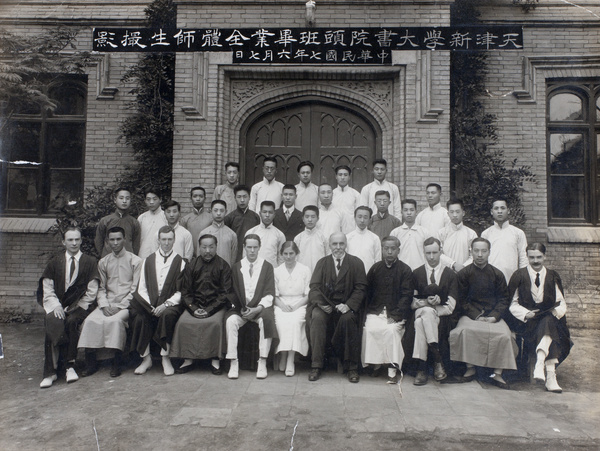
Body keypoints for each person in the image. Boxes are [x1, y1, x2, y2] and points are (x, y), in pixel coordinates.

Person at [449, 238, 517, 389]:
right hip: (470, 315)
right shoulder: (464, 274)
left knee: (505, 336)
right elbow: (461, 299)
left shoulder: (497, 274)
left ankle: (497, 373)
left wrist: (494, 316)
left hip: (494, 316)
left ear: (489, 252)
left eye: (483, 251)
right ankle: (470, 368)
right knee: (464, 331)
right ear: (471, 252)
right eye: (476, 251)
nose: (480, 255)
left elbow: (504, 299)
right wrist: (476, 316)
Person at [38, 227, 99, 388]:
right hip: (58, 306)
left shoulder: (90, 262)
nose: (74, 243)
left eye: (77, 239)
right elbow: (48, 289)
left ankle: (69, 366)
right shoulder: (54, 263)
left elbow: (92, 291)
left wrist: (75, 307)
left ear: (81, 241)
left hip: (80, 306)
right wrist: (56, 306)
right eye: (70, 240)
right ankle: (50, 372)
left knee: (72, 322)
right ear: (63, 242)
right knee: (52, 321)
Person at [78, 227, 143, 378]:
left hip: (126, 304)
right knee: (91, 321)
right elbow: (101, 287)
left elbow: (135, 289)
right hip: (107, 304)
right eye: (112, 240)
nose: (115, 243)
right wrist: (104, 305)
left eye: (118, 239)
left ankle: (116, 362)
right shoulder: (103, 262)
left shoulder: (136, 261)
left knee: (115, 322)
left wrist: (119, 306)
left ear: (124, 240)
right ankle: (91, 362)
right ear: (107, 242)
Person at [508, 243, 571, 393]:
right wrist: (524, 313)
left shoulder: (552, 275)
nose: (535, 261)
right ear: (527, 257)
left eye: (539, 257)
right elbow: (512, 303)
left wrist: (557, 313)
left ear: (545, 256)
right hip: (528, 323)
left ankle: (541, 364)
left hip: (547, 318)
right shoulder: (519, 275)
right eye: (532, 257)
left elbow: (561, 302)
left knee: (549, 320)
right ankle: (550, 375)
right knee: (550, 327)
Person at [307, 232, 367, 383]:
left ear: (346, 244)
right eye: (335, 244)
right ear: (330, 245)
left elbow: (361, 288)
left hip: (346, 308)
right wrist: (321, 304)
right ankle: (316, 365)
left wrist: (348, 305)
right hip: (326, 306)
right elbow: (314, 287)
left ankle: (351, 367)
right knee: (317, 317)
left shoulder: (356, 263)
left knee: (348, 320)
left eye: (341, 244)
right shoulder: (322, 263)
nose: (338, 247)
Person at [170, 234, 232, 375]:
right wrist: (194, 309)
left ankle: (215, 359)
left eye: (211, 247)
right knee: (183, 323)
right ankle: (188, 358)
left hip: (216, 307)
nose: (207, 251)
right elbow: (185, 292)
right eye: (204, 247)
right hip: (194, 306)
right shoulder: (191, 265)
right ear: (199, 248)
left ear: (216, 247)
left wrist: (209, 310)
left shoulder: (223, 266)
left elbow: (225, 293)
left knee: (215, 324)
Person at [129, 226, 185, 376]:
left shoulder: (181, 262)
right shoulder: (148, 260)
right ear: (158, 240)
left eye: (170, 239)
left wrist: (165, 305)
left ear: (174, 240)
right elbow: (141, 288)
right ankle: (146, 358)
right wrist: (151, 306)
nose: (166, 243)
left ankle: (164, 357)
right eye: (164, 239)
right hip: (149, 303)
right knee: (139, 317)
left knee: (168, 315)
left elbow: (182, 291)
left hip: (170, 304)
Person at [361, 236, 412, 384]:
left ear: (398, 250)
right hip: (376, 312)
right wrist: (367, 313)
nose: (389, 251)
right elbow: (367, 292)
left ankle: (392, 368)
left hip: (395, 314)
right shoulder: (375, 268)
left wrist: (395, 315)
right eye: (386, 248)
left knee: (391, 332)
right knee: (369, 330)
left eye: (393, 248)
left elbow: (406, 296)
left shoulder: (405, 270)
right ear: (382, 250)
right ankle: (376, 364)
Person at [225, 234, 277, 379]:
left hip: (259, 309)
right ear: (244, 248)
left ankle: (262, 362)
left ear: (259, 247)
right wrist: (242, 307)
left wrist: (258, 308)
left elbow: (269, 293)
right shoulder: (237, 267)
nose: (252, 251)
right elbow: (232, 292)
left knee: (267, 321)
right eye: (249, 247)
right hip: (241, 309)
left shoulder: (267, 267)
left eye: (255, 247)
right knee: (230, 321)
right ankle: (233, 362)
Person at [408, 238, 458, 386]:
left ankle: (421, 368)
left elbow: (450, 306)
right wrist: (426, 303)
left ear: (441, 252)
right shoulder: (416, 273)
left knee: (420, 322)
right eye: (428, 253)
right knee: (424, 314)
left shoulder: (450, 275)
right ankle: (437, 359)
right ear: (423, 253)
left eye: (435, 252)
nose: (431, 257)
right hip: (421, 312)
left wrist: (435, 306)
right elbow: (413, 303)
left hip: (440, 316)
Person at [273, 242, 311, 376]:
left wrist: (296, 306)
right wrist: (282, 305)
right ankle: (283, 354)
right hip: (281, 302)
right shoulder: (276, 271)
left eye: (291, 253)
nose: (288, 257)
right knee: (281, 322)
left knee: (295, 322)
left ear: (296, 254)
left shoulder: (305, 270)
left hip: (300, 302)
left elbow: (308, 294)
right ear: (281, 254)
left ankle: (290, 358)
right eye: (285, 254)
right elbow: (274, 294)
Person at [481, 199, 528, 283]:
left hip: (512, 278)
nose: (499, 211)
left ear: (508, 211)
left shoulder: (518, 233)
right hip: (491, 279)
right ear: (492, 212)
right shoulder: (486, 234)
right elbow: (482, 258)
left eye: (502, 208)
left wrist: (522, 277)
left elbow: (523, 257)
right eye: (496, 208)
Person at [95, 187, 141, 258]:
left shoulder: (134, 222)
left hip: (128, 260)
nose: (124, 201)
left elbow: (136, 244)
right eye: (121, 198)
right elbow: (99, 241)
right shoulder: (105, 221)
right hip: (108, 259)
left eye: (127, 198)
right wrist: (105, 255)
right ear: (115, 200)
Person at [437, 199, 477, 271]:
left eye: (457, 212)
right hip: (446, 272)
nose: (454, 215)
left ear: (463, 213)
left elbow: (474, 255)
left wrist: (463, 267)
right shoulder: (441, 233)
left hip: (466, 272)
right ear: (448, 213)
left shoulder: (471, 234)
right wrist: (453, 264)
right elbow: (438, 253)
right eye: (451, 212)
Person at [391, 199, 431, 271]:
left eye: (412, 210)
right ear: (401, 212)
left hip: (420, 271)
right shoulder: (395, 233)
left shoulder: (424, 232)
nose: (409, 213)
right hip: (400, 271)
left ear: (416, 212)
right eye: (405, 210)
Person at [224, 184, 260, 262]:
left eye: (245, 196)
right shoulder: (229, 218)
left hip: (252, 254)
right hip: (236, 256)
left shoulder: (256, 217)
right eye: (239, 197)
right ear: (235, 198)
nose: (242, 200)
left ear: (249, 198)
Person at [245, 200, 286, 268]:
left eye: (270, 212)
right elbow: (245, 255)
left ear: (274, 214)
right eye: (264, 212)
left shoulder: (279, 235)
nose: (267, 215)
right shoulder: (251, 232)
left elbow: (281, 258)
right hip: (254, 271)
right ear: (260, 213)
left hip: (272, 272)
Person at [200, 200, 238, 267]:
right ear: (211, 211)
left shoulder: (232, 234)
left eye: (221, 210)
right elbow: (200, 256)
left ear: (226, 212)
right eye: (215, 210)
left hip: (226, 273)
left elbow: (233, 258)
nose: (218, 213)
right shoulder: (203, 233)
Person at [294, 205, 329, 272]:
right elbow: (295, 258)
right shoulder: (298, 238)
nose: (310, 220)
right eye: (307, 217)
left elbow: (328, 256)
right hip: (302, 273)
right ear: (303, 218)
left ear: (318, 218)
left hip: (320, 272)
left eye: (313, 217)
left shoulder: (324, 237)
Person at [346, 206, 381, 272]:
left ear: (370, 219)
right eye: (359, 217)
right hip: (352, 274)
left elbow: (377, 260)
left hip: (369, 274)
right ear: (355, 218)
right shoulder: (348, 237)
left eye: (365, 217)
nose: (362, 220)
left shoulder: (375, 238)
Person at [180, 186, 213, 256]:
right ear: (191, 198)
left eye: (201, 196)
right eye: (195, 196)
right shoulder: (185, 220)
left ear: (205, 198)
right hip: (190, 257)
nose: (198, 199)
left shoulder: (211, 218)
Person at [137, 187, 167, 259]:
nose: (151, 202)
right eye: (148, 199)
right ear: (145, 201)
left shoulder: (166, 217)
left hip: (161, 256)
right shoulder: (141, 218)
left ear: (160, 199)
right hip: (143, 256)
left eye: (154, 199)